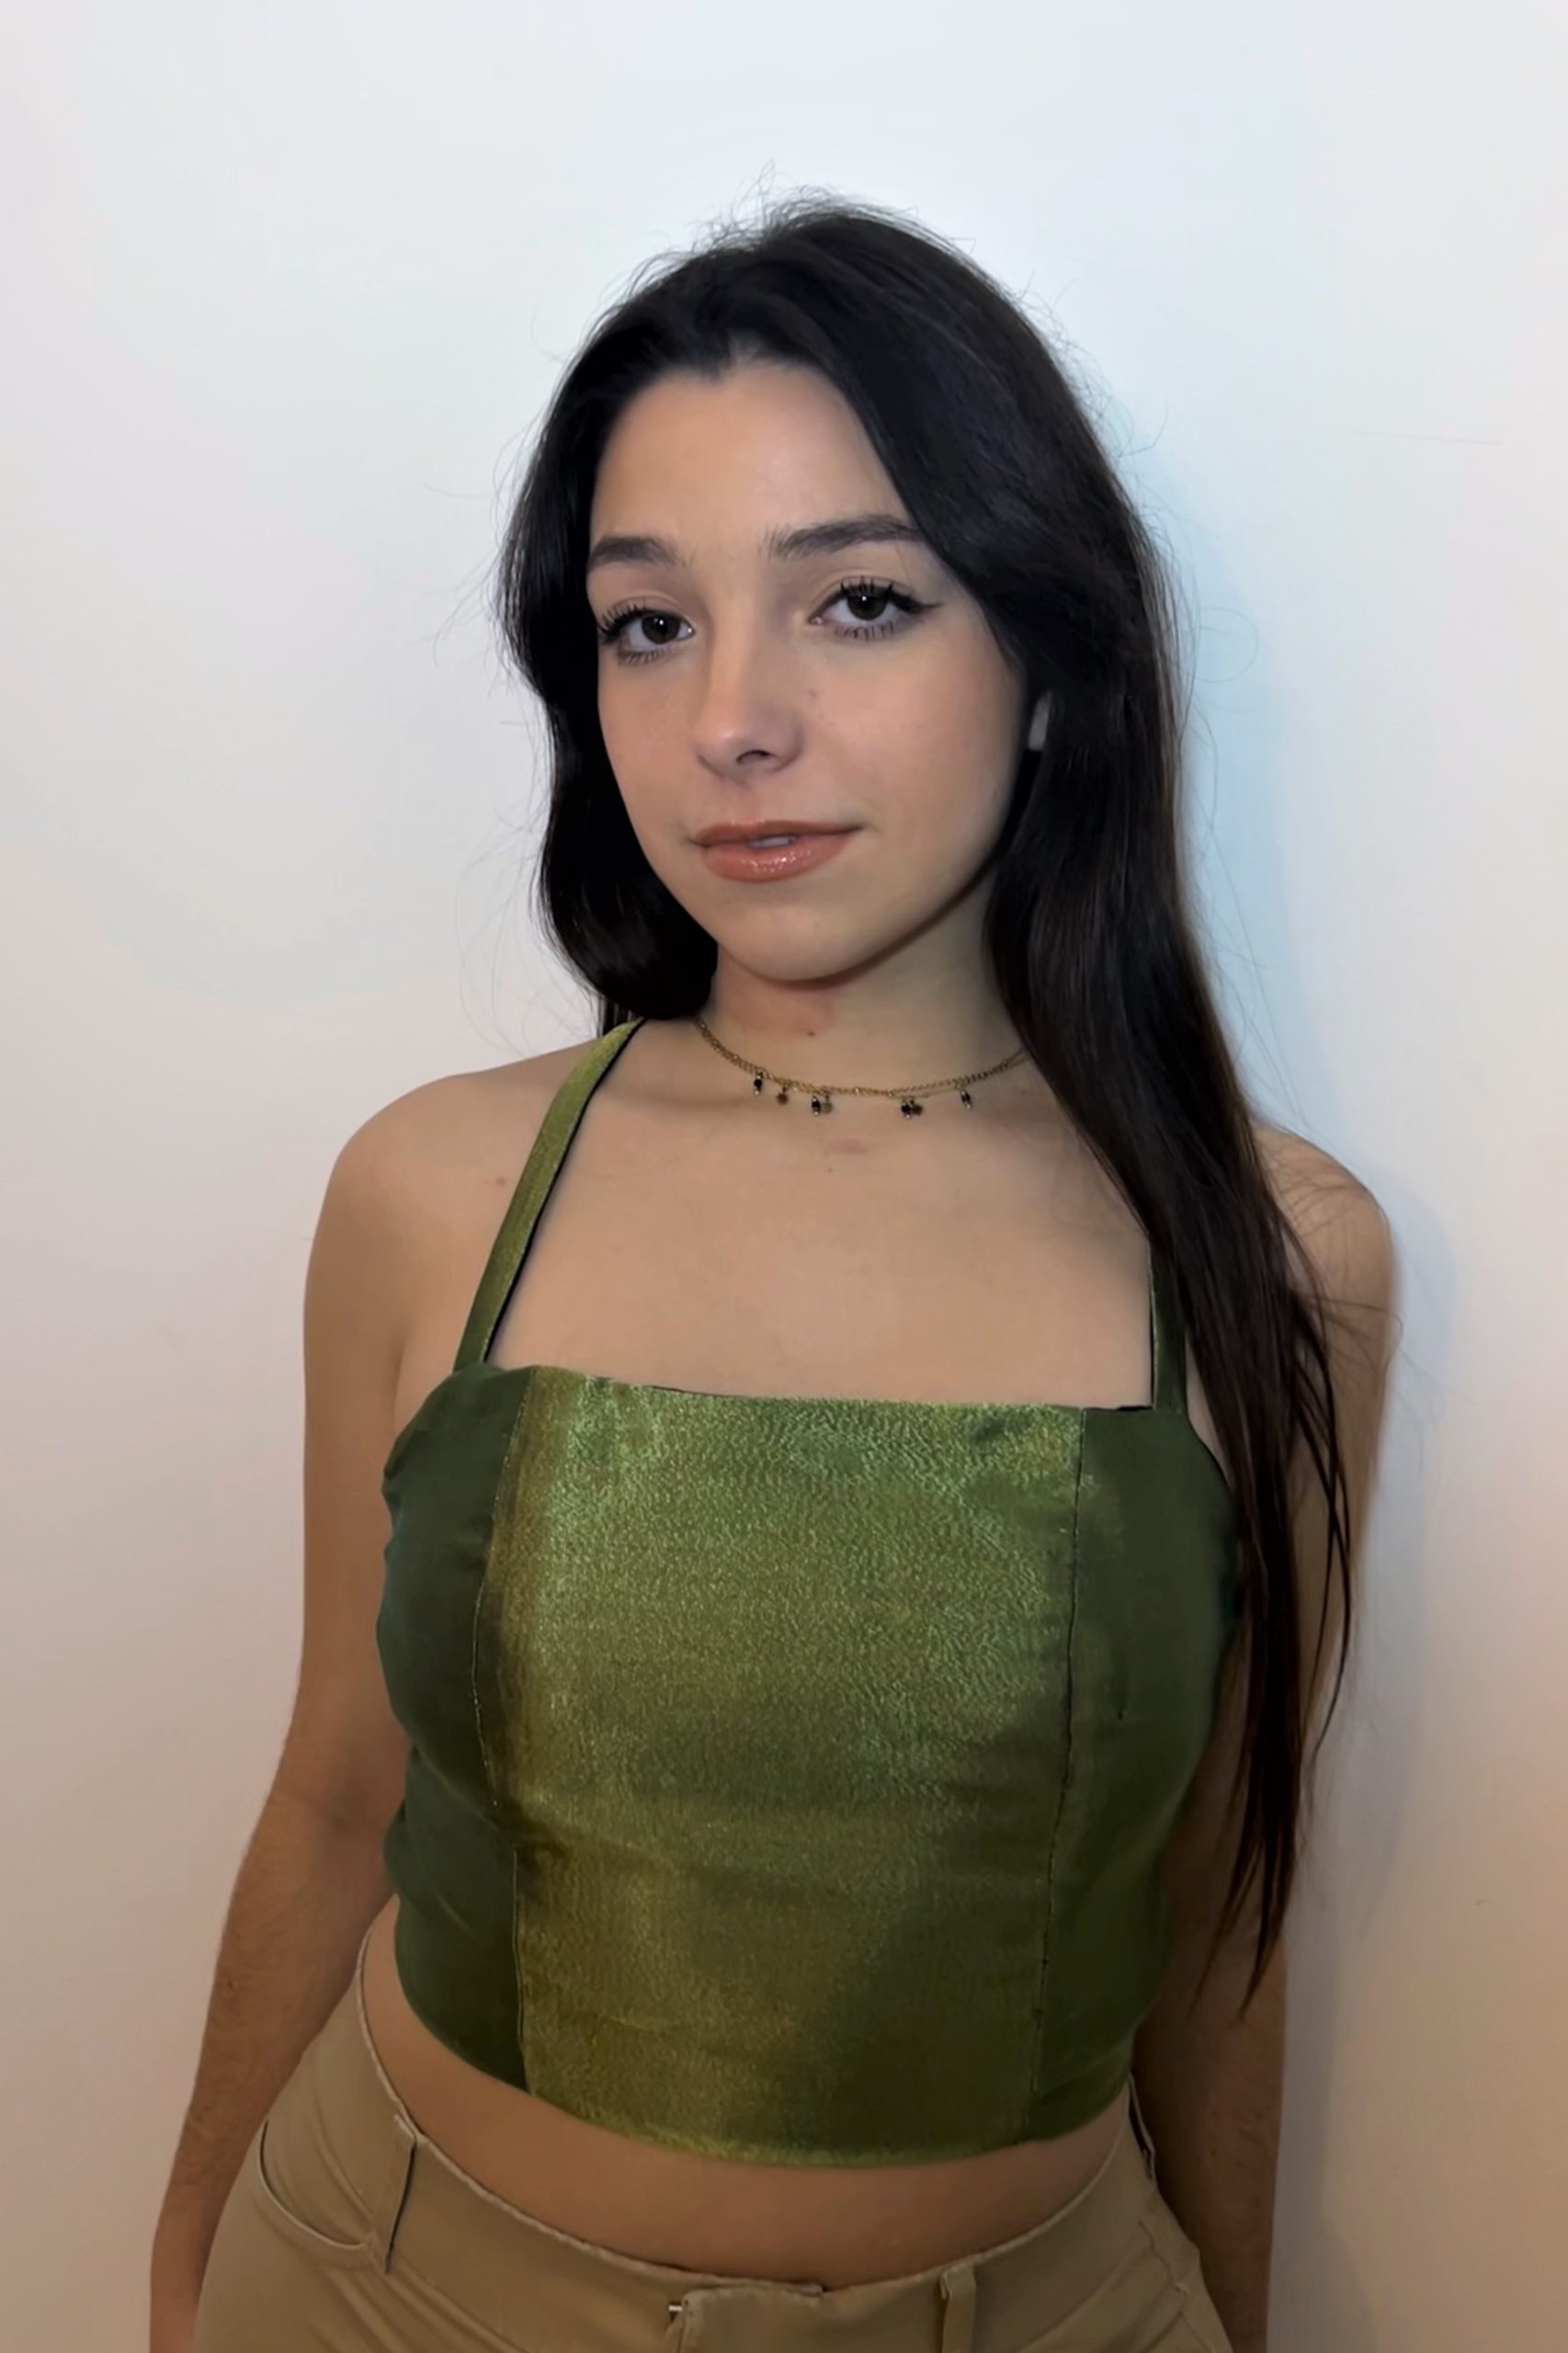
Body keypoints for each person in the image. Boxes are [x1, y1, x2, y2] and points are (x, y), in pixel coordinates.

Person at [153, 194, 1396, 2353]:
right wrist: (180, 2276)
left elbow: (1219, 1917)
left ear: (1052, 665)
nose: (731, 716)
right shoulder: (436, 1189)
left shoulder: (1273, 1254)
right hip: (380, 2288)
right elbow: (335, 1797)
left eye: (861, 599)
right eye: (647, 623)